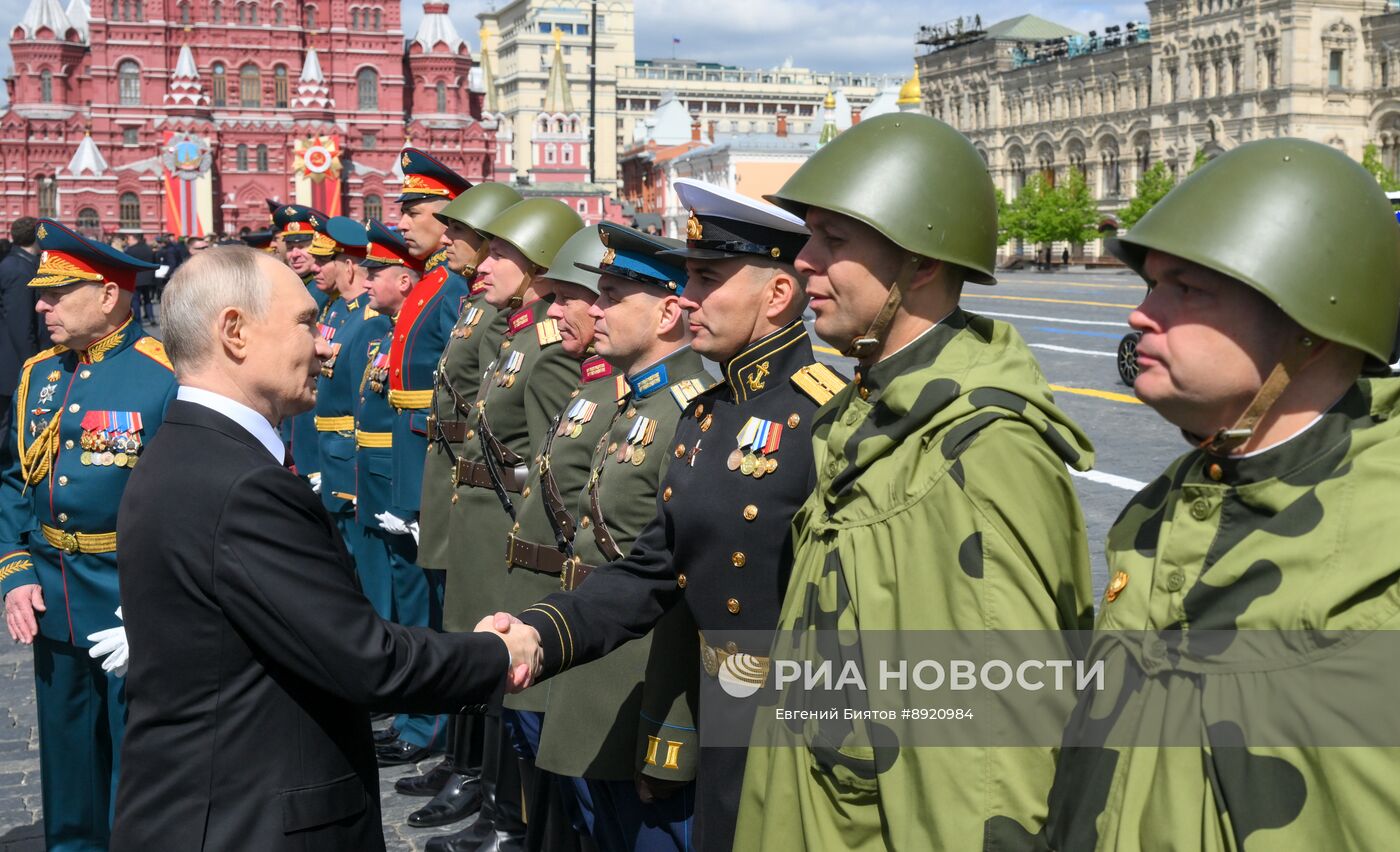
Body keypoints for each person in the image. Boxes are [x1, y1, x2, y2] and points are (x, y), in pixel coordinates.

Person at [733, 111, 1096, 850]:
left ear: (920, 264)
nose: (803, 261)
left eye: (834, 240)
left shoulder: (980, 453)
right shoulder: (869, 411)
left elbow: (992, 761)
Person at [1033, 139, 1400, 849]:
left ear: (1309, 327)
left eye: (1188, 289)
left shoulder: (1385, 539)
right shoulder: (1160, 508)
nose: (1142, 315)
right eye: (1150, 286)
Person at [109, 245, 538, 852]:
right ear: (235, 332)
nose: (326, 348)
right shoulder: (242, 485)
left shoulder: (187, 448)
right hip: (251, 823)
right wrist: (497, 653)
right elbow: (367, 660)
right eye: (306, 324)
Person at [495, 178, 838, 851]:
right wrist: (542, 633)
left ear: (777, 295)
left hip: (789, 729)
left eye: (707, 279)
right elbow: (657, 566)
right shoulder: (709, 414)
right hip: (720, 716)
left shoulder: (824, 419)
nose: (688, 297)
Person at [531, 223, 713, 851]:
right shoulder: (637, 402)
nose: (596, 310)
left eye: (611, 296)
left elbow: (687, 592)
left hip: (641, 697)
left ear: (668, 313)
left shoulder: (690, 411)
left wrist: (671, 734)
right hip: (597, 682)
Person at [0, 219, 176, 851]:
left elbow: (185, 504)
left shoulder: (163, 376)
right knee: (68, 760)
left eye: (56, 294)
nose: (40, 307)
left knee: (140, 760)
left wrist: (158, 601)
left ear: (107, 296)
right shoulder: (40, 375)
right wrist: (15, 569)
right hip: (53, 596)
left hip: (131, 601)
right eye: (40, 295)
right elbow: (12, 478)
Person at [429, 198, 584, 852]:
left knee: (514, 688)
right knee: (491, 679)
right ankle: (494, 804)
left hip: (510, 532)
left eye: (500, 254)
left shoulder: (547, 347)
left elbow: (552, 468)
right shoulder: (519, 334)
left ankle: (510, 818)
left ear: (538, 265)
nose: (483, 265)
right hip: (484, 520)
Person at [401, 181, 521, 827]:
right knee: (458, 623)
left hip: (487, 489)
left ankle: (477, 772)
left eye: (464, 235)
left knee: (478, 631)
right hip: (457, 476)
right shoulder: (476, 302)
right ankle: (462, 758)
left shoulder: (504, 315)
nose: (449, 240)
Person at [374, 149, 474, 767]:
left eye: (416, 211)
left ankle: (432, 727)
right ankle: (420, 716)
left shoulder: (453, 287)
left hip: (431, 454)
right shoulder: (431, 283)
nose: (404, 222)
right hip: (409, 451)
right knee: (415, 597)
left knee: (434, 600)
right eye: (405, 210)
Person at [0, 217, 42, 439]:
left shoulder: (17, 263)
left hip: (11, 359)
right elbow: (21, 325)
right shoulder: (20, 270)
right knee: (8, 428)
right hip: (14, 363)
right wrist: (34, 364)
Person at [122, 233, 157, 323]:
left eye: (129, 239)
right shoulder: (148, 248)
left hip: (136, 278)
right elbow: (154, 262)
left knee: (136, 300)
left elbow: (126, 264)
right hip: (148, 278)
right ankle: (151, 317)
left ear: (135, 239)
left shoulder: (130, 250)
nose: (128, 241)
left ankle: (138, 319)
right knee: (147, 298)